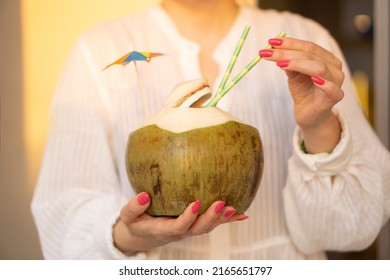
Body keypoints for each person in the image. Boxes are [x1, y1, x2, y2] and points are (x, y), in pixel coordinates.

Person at [31, 0, 390, 259]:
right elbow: (64, 222)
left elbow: (348, 232)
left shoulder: (303, 37)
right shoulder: (98, 50)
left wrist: (319, 127)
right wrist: (127, 235)